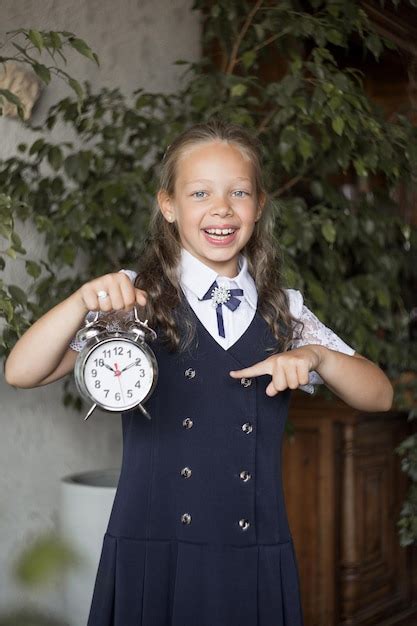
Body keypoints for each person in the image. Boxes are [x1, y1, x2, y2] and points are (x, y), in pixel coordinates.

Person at [5, 118, 394, 626]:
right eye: (200, 192)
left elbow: (380, 395)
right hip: (153, 543)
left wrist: (317, 357)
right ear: (168, 205)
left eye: (239, 192)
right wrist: (81, 300)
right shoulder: (132, 297)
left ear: (258, 205)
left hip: (252, 544)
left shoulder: (286, 310)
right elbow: (21, 371)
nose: (221, 208)